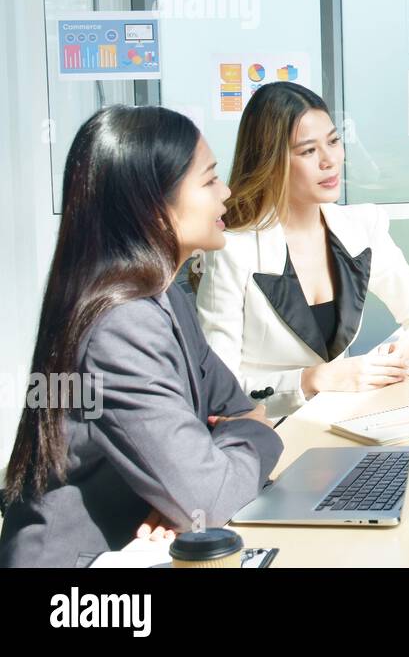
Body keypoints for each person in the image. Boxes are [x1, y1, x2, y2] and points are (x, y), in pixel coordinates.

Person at [0, 106, 283, 567]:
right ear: (153, 205)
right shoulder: (122, 322)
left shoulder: (164, 295)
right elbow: (209, 494)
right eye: (210, 180)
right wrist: (254, 436)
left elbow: (235, 408)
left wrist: (199, 471)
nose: (227, 192)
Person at [196, 82, 409, 418]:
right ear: (271, 161)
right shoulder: (233, 250)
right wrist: (313, 379)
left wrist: (406, 350)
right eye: (308, 151)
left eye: (333, 141)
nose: (330, 161)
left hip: (343, 421)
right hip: (267, 431)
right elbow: (218, 391)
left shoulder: (362, 226)